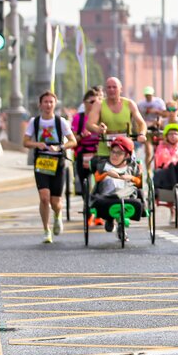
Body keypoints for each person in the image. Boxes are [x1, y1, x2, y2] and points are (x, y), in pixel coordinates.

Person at [23, 91, 77, 243]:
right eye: (45, 102)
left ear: (55, 104)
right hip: (41, 162)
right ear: (40, 105)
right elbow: (25, 142)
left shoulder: (61, 122)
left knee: (56, 202)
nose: (48, 105)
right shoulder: (35, 122)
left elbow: (73, 141)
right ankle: (46, 230)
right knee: (44, 198)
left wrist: (60, 147)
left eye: (51, 102)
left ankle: (58, 216)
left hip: (57, 163)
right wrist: (37, 144)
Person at [92, 135, 144, 234]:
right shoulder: (103, 165)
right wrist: (106, 174)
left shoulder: (132, 167)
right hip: (107, 197)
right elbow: (97, 179)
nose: (115, 155)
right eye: (113, 152)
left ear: (127, 155)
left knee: (127, 186)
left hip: (128, 197)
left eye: (119, 153)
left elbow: (140, 183)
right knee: (111, 181)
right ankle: (110, 218)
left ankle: (120, 224)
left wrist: (132, 178)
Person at [86, 77, 147, 158]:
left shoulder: (129, 104)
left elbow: (142, 123)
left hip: (126, 150)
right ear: (106, 90)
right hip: (105, 151)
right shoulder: (98, 104)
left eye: (114, 87)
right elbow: (89, 124)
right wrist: (98, 129)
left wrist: (142, 134)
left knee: (136, 169)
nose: (111, 89)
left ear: (120, 89)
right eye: (109, 87)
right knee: (102, 170)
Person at [71, 89, 102, 210]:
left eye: (98, 101)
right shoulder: (78, 118)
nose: (95, 104)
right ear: (84, 103)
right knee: (84, 180)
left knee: (102, 179)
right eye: (92, 101)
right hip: (83, 153)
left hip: (98, 151)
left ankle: (98, 202)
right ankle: (87, 203)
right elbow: (72, 138)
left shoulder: (101, 117)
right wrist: (81, 136)